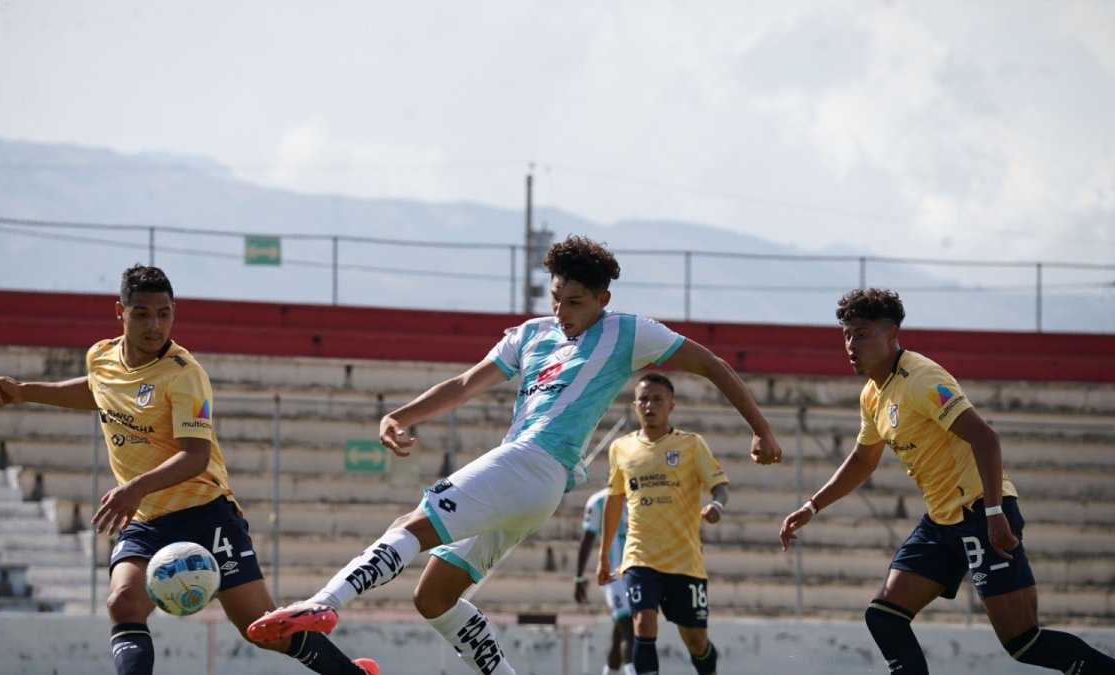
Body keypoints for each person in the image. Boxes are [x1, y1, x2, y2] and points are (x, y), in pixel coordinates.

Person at [248, 234, 783, 675]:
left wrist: (760, 429)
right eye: (556, 298)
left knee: (411, 523)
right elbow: (463, 384)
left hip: (533, 464)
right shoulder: (531, 335)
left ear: (603, 300)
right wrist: (401, 416)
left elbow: (711, 363)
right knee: (434, 596)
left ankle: (322, 603)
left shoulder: (627, 332)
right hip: (526, 482)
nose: (562, 310)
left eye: (575, 301)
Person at [0, 265, 377, 675]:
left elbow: (196, 455)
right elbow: (98, 390)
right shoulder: (101, 356)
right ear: (118, 312)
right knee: (124, 603)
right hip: (147, 520)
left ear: (174, 312)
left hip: (206, 513)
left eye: (164, 313)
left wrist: (134, 487)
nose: (154, 325)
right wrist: (26, 392)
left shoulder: (184, 375)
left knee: (260, 629)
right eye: (141, 313)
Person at [779, 287, 1115, 675]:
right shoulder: (872, 394)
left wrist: (993, 513)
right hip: (942, 523)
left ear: (891, 335)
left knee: (1025, 643)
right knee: (884, 616)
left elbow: (985, 438)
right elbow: (863, 459)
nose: (852, 344)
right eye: (847, 334)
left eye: (863, 333)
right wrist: (811, 506)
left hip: (981, 513)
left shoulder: (921, 378)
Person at [598, 372, 729, 675]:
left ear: (671, 406)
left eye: (657, 399)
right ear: (634, 405)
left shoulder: (692, 445)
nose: (649, 405)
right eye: (643, 399)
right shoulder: (620, 449)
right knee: (643, 622)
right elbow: (614, 499)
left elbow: (719, 486)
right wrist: (604, 556)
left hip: (684, 560)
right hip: (640, 556)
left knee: (696, 640)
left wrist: (716, 504)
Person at [575, 487, 634, 675]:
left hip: (637, 573)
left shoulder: (640, 497)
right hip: (613, 576)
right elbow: (587, 540)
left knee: (620, 635)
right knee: (629, 628)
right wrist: (579, 577)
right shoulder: (598, 501)